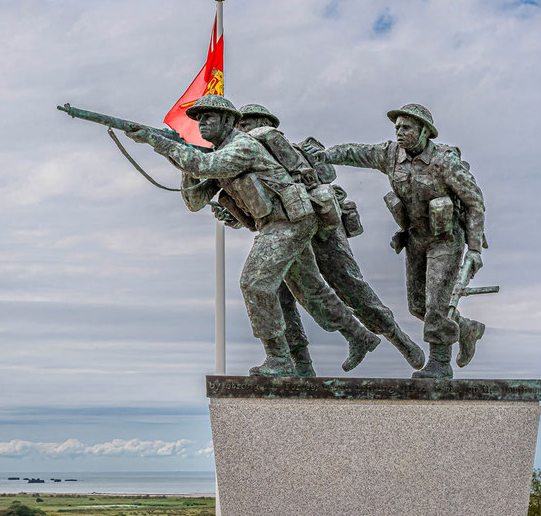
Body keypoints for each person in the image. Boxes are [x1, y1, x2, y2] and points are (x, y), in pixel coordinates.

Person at [124, 94, 380, 377]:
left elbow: (205, 167)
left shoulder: (242, 145)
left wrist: (157, 142)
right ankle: (360, 336)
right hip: (277, 224)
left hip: (289, 222)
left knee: (254, 283)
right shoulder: (218, 154)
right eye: (198, 119)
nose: (201, 123)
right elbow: (194, 201)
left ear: (228, 121)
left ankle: (279, 360)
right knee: (311, 292)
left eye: (208, 117)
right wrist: (181, 154)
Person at [216, 104, 425, 375]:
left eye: (246, 124)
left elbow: (309, 188)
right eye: (239, 126)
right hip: (288, 234)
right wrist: (230, 213)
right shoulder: (242, 160)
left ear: (265, 123)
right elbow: (256, 210)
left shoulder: (286, 150)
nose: (241, 130)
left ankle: (399, 339)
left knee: (350, 285)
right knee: (279, 295)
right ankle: (301, 365)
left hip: (323, 229)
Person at [305, 103, 486, 379]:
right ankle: (465, 329)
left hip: (445, 239)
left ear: (425, 131)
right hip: (415, 237)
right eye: (397, 127)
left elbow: (474, 202)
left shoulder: (444, 161)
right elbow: (358, 153)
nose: (400, 132)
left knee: (437, 302)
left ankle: (440, 363)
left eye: (407, 127)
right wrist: (327, 156)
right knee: (418, 306)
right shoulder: (391, 154)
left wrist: (473, 249)